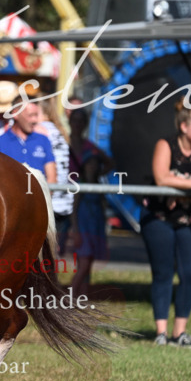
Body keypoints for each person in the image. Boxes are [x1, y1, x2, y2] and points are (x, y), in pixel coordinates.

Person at [141, 100, 191, 348]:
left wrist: (185, 189)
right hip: (159, 218)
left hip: (189, 218)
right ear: (184, 126)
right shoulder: (166, 144)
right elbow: (161, 177)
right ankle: (161, 332)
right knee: (164, 272)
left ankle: (180, 333)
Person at [67, 107, 112, 297]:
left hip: (92, 218)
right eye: (74, 120)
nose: (77, 124)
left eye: (81, 120)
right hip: (71, 206)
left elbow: (109, 162)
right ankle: (69, 295)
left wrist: (97, 174)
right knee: (83, 260)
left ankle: (82, 298)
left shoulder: (90, 148)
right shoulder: (63, 144)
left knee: (87, 261)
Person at [36, 96, 73, 253]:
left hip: (51, 200)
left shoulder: (41, 130)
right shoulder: (59, 131)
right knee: (55, 256)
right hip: (65, 200)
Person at [0, 101, 57, 184]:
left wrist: (45, 196)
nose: (35, 120)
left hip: (39, 196)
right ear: (16, 114)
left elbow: (52, 179)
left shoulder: (43, 140)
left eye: (36, 115)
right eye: (31, 115)